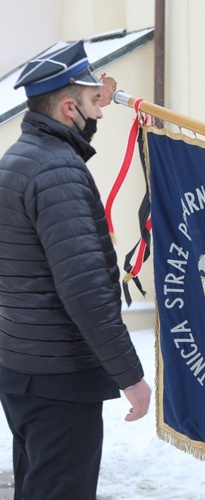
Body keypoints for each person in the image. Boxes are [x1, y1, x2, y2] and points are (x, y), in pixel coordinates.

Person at [0, 41, 151, 499]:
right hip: (59, 375)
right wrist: (131, 377)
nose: (99, 114)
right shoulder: (57, 171)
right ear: (68, 108)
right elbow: (84, 290)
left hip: (24, 366)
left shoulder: (17, 160)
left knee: (37, 485)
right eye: (91, 103)